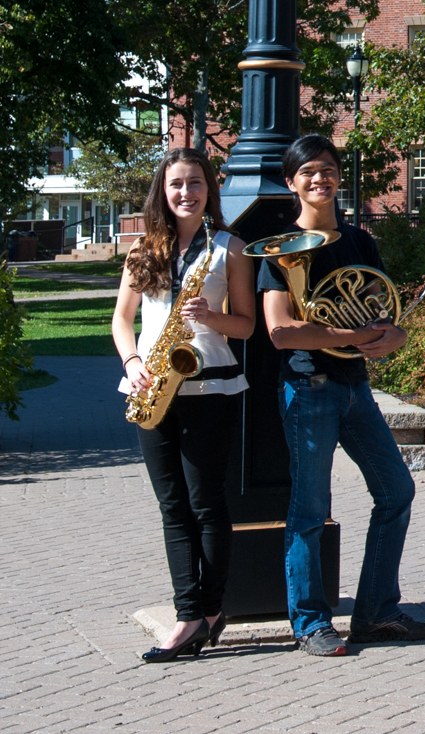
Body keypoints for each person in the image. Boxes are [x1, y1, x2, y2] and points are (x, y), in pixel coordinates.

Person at [259, 134, 425, 657]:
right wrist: (349, 339)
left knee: (396, 492)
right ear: (292, 182)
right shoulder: (279, 249)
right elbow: (282, 331)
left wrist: (394, 335)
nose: (321, 179)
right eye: (309, 171)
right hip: (307, 388)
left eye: (329, 169)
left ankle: (376, 612)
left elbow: (380, 315)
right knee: (309, 510)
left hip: (355, 388)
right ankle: (311, 623)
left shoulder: (360, 241)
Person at [112, 148, 256, 663]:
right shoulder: (142, 250)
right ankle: (188, 613)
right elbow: (121, 320)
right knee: (172, 509)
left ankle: (209, 610)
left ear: (208, 189)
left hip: (210, 390)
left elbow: (247, 326)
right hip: (152, 389)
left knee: (206, 504)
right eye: (176, 184)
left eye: (195, 183)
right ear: (162, 190)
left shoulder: (230, 249)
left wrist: (211, 318)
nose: (185, 193)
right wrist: (132, 363)